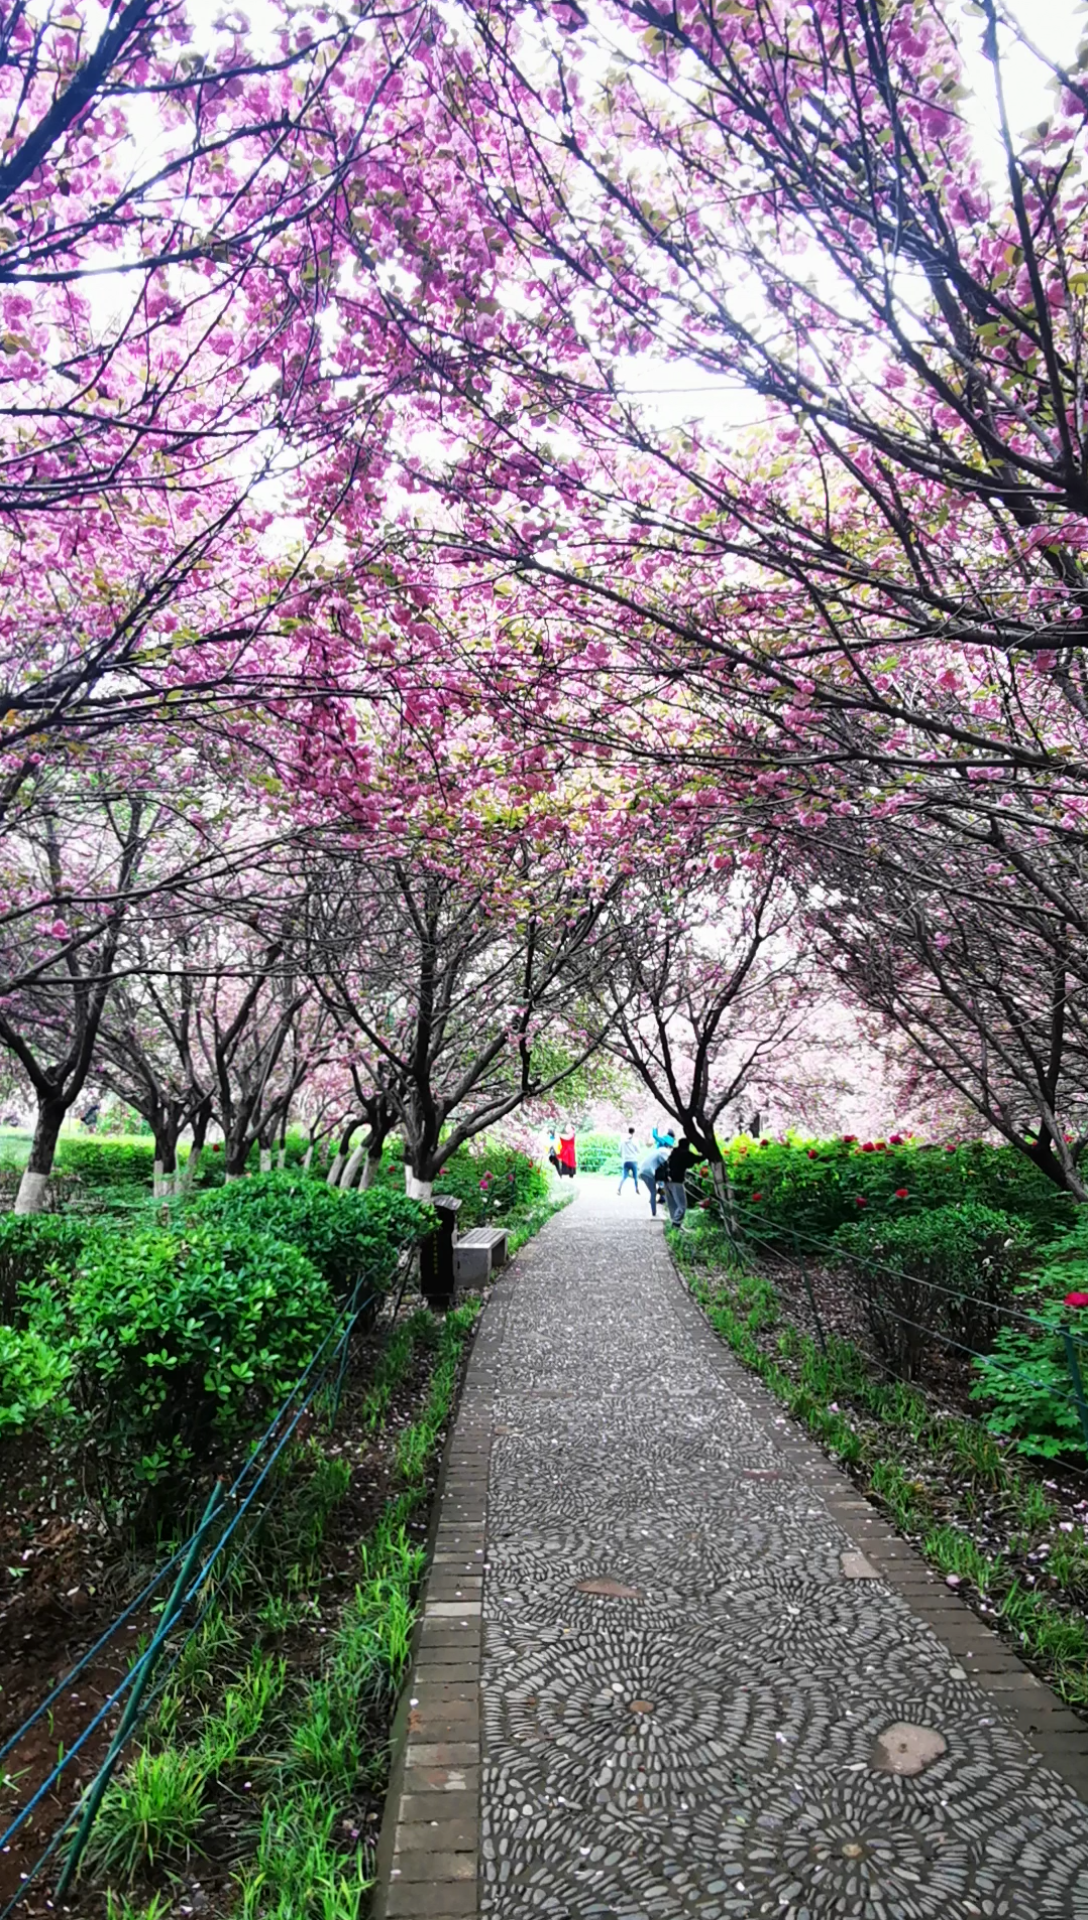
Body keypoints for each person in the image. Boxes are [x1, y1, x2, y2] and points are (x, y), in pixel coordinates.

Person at [663, 1135, 705, 1226]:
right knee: (682, 1205)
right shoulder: (685, 1154)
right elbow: (697, 1158)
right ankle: (676, 1223)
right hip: (676, 1181)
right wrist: (706, 1153)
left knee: (672, 1203)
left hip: (666, 1180)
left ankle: (674, 1222)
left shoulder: (674, 1152)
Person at [638, 1144, 670, 1216]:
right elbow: (666, 1164)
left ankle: (656, 1211)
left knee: (656, 1191)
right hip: (648, 1172)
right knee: (653, 1192)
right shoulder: (664, 1153)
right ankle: (654, 1213)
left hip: (643, 1171)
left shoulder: (657, 1152)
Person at [618, 1127, 640, 1194]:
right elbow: (638, 1151)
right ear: (634, 1132)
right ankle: (636, 1189)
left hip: (626, 1161)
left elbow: (619, 1151)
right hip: (633, 1160)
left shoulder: (622, 1140)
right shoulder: (635, 1140)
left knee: (624, 1176)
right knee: (635, 1177)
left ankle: (619, 1189)